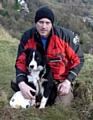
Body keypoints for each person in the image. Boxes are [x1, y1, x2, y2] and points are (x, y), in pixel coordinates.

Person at [11, 6, 84, 105]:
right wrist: (21, 83)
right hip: (33, 76)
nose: (44, 26)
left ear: (52, 24)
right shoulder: (27, 37)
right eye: (41, 22)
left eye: (47, 23)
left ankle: (58, 94)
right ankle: (32, 95)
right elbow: (20, 61)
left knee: (62, 104)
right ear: (35, 22)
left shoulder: (65, 36)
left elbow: (78, 59)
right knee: (16, 83)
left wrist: (68, 81)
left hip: (59, 81)